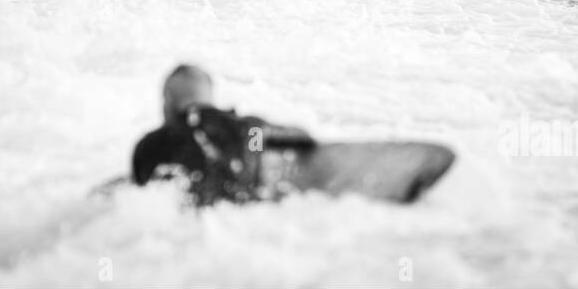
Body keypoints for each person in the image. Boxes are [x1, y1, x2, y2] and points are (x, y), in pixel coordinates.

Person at [131, 64, 455, 206]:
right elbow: (300, 139)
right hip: (245, 180)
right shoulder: (248, 129)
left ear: (166, 102)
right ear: (210, 96)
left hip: (188, 197)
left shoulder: (151, 146)